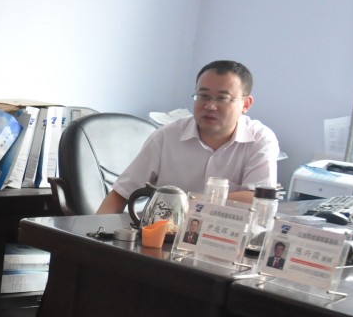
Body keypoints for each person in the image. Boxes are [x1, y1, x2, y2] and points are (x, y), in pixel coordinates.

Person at [97, 60, 279, 214]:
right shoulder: (166, 137)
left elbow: (259, 199)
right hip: (165, 234)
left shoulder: (260, 140)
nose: (210, 106)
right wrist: (93, 236)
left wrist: (190, 201)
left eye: (222, 98)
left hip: (228, 238)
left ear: (246, 104)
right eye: (203, 96)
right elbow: (121, 194)